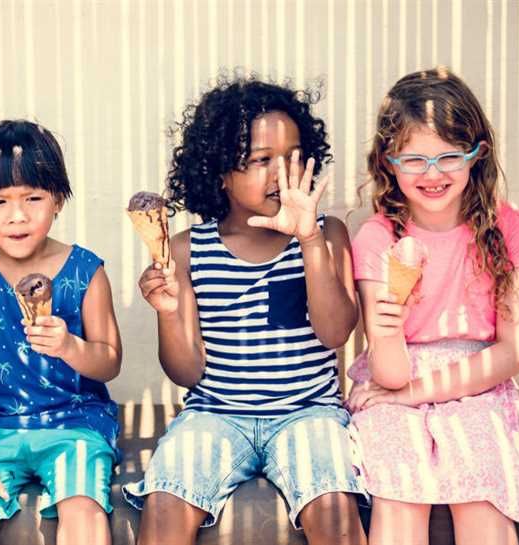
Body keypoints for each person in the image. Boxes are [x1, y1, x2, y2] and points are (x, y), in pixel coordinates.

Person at [123, 75, 367, 545]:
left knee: (334, 506)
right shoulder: (187, 250)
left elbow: (336, 331)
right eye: (260, 161)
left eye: (293, 157)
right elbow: (186, 370)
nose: (281, 173)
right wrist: (169, 311)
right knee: (167, 499)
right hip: (215, 414)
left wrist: (310, 241)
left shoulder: (328, 234)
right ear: (219, 172)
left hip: (309, 413)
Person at [346, 67, 519, 545]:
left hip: (479, 382)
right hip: (396, 380)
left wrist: (415, 394)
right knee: (399, 498)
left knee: (482, 495)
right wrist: (387, 329)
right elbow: (388, 375)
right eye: (414, 160)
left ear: (478, 155)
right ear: (389, 162)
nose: (432, 175)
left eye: (449, 156)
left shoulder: (508, 229)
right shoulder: (378, 239)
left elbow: (514, 352)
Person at [0, 120, 122, 545]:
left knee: (85, 515)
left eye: (33, 198)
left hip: (75, 422)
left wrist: (70, 347)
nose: (17, 215)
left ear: (58, 200)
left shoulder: (86, 270)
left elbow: (109, 360)